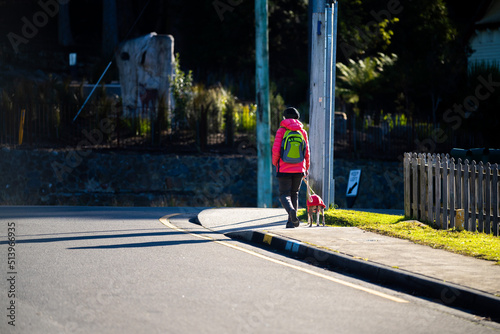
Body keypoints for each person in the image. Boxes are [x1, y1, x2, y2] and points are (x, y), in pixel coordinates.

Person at [272, 107, 310, 228]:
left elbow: (276, 150)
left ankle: (291, 211)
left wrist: (276, 163)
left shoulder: (281, 131)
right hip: (299, 169)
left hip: (284, 168)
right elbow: (307, 152)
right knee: (295, 193)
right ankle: (291, 222)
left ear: (285, 117)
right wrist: (306, 167)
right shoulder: (302, 132)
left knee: (284, 194)